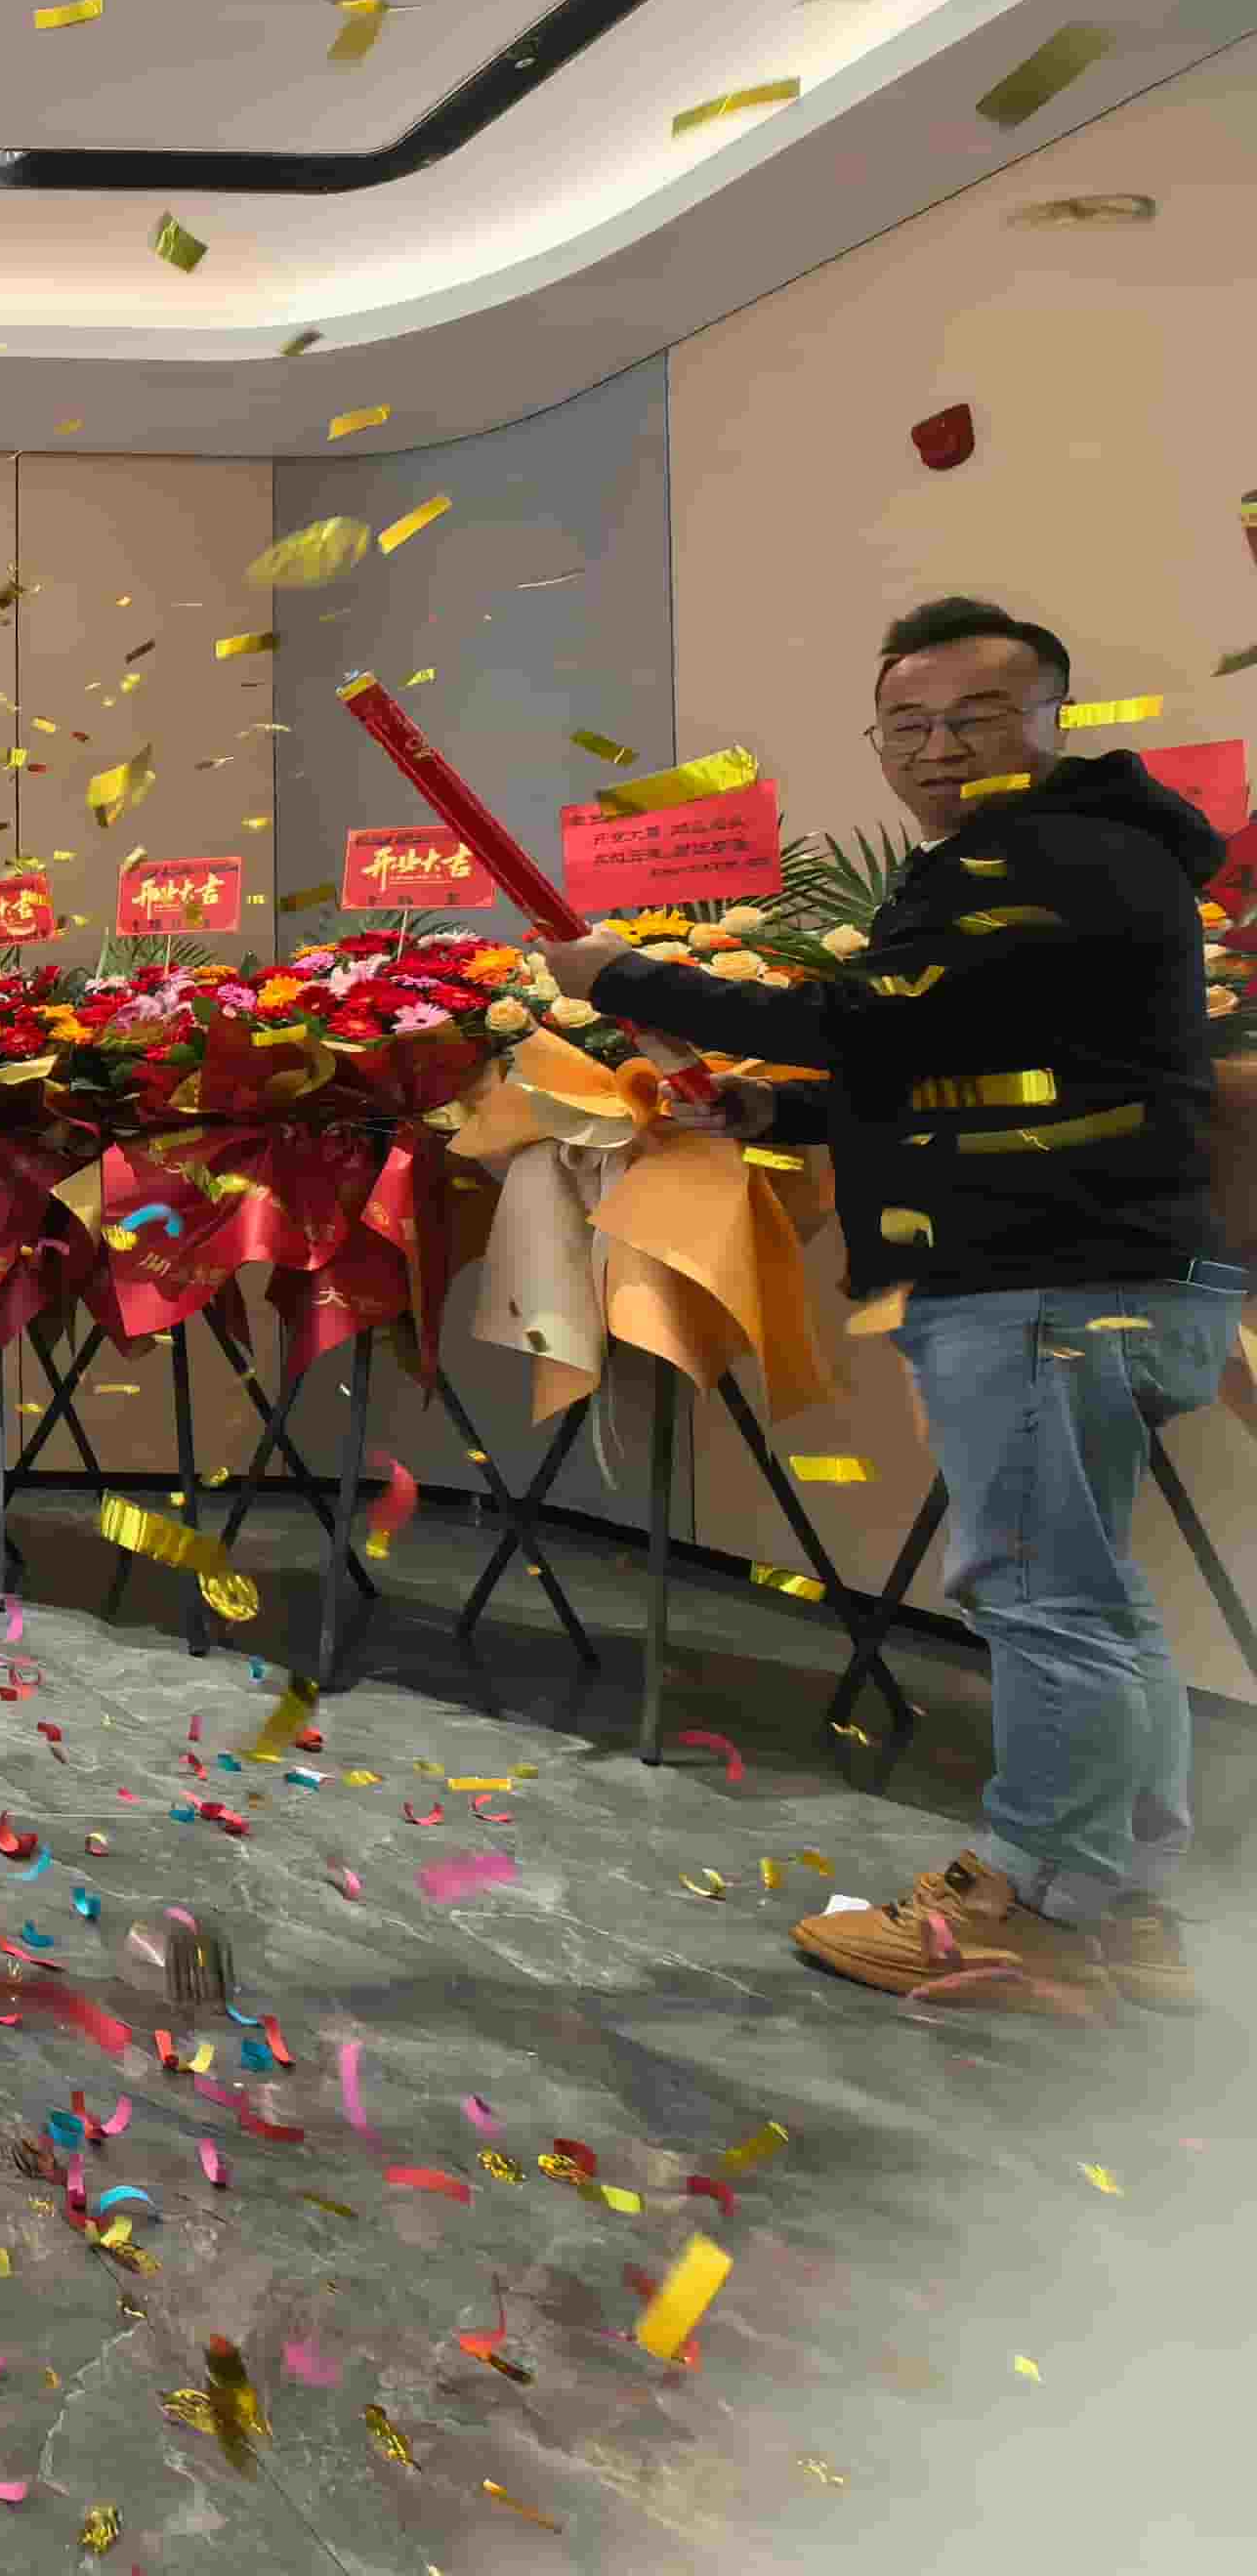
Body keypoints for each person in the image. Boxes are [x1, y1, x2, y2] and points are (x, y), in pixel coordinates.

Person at [541, 595, 1229, 2022]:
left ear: (1050, 722)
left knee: (1043, 1599)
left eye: (975, 718)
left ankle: (1027, 1907)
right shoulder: (1078, 853)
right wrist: (767, 1109)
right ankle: (1116, 1905)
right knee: (1093, 1602)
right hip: (1098, 1269)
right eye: (905, 726)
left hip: (1041, 1273)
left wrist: (631, 979)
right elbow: (957, 1057)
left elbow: (870, 1019)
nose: (938, 749)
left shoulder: (1046, 853)